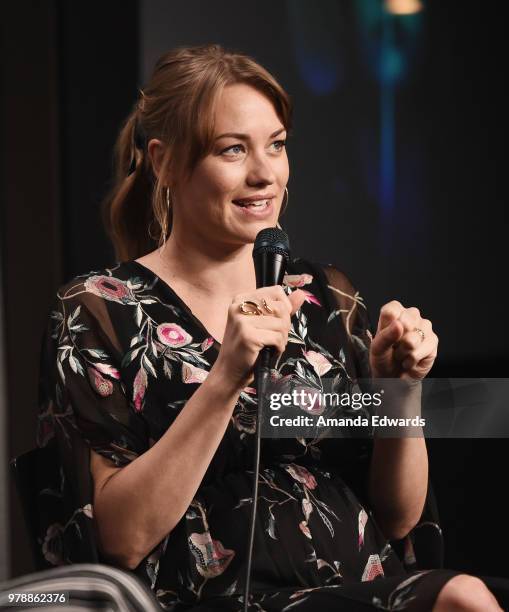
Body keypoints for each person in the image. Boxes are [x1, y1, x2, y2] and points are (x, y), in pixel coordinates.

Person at [36, 44, 505, 611]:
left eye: (277, 146)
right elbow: (119, 542)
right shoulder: (97, 310)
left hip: (363, 588)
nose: (264, 174)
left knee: (463, 595)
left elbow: (398, 516)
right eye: (232, 150)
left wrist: (398, 389)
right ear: (162, 161)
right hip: (208, 599)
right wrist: (226, 375)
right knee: (463, 598)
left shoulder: (327, 297)